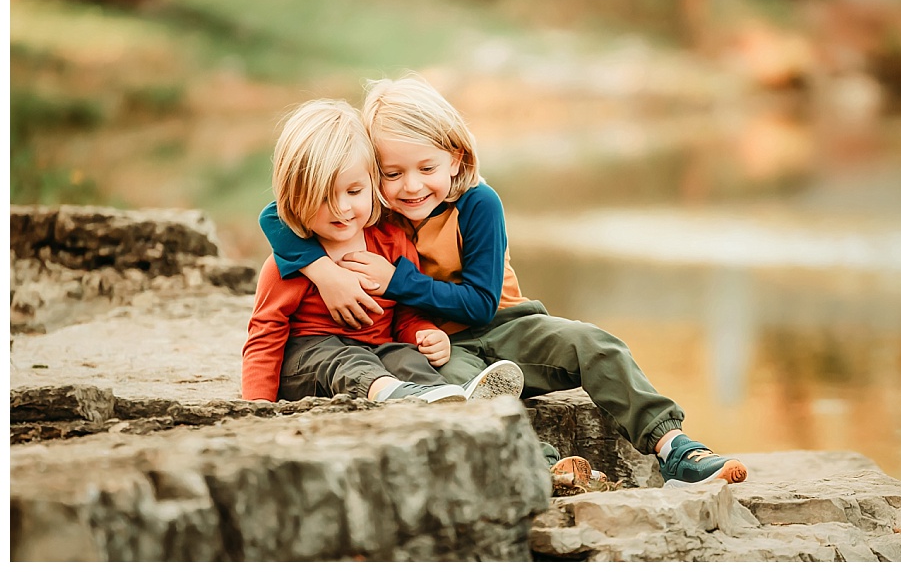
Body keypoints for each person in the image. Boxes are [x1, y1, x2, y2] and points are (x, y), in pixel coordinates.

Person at [259, 76, 747, 488]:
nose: (411, 186)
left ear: (456, 157)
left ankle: (673, 445)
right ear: (372, 172)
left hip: (503, 323)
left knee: (594, 343)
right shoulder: (371, 207)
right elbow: (276, 214)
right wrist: (323, 273)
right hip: (441, 347)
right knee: (457, 389)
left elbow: (478, 303)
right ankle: (545, 465)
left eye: (427, 168)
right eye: (392, 172)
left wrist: (395, 280)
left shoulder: (478, 204)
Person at [241, 97, 523, 405]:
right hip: (311, 360)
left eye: (354, 191)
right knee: (347, 362)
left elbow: (405, 315)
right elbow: (264, 335)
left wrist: (425, 334)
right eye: (323, 197)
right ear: (295, 196)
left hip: (378, 351)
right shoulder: (290, 262)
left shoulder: (391, 243)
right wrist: (257, 406)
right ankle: (392, 393)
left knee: (407, 358)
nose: (342, 208)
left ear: (373, 182)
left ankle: (440, 398)